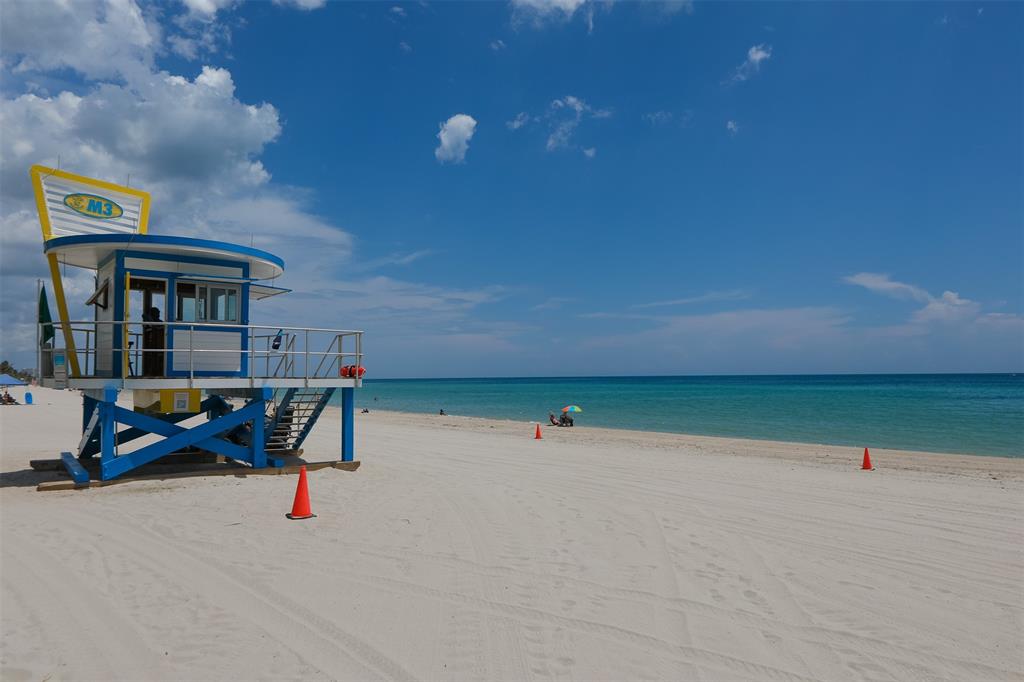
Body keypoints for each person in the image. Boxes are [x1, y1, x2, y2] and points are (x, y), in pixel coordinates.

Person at [141, 306, 165, 377]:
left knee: (157, 357)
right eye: (157, 312)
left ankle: (156, 371)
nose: (159, 313)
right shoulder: (151, 321)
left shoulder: (157, 321)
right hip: (155, 343)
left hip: (158, 343)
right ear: (153, 313)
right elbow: (155, 327)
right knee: (154, 357)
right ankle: (153, 372)